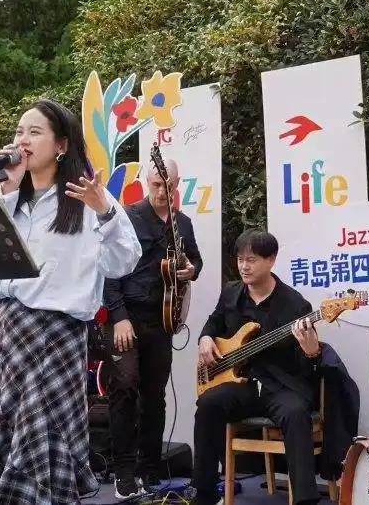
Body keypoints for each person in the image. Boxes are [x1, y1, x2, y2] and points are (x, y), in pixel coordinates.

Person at [0, 99, 141, 505]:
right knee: (8, 430)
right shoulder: (6, 195)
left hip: (58, 335)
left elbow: (124, 261)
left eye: (34, 132)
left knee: (40, 437)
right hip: (10, 330)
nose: (22, 140)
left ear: (61, 145)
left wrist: (105, 212)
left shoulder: (87, 197)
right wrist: (7, 191)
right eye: (19, 131)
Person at [193, 231, 322, 505]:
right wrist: (205, 338)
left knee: (296, 413)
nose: (244, 267)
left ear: (271, 260)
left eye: (251, 260)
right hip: (242, 384)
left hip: (281, 386)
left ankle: (306, 500)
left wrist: (311, 352)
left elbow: (306, 367)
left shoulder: (296, 305)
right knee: (208, 404)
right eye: (240, 260)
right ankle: (203, 495)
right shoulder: (231, 292)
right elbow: (214, 321)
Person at [103, 157, 203, 497]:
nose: (162, 191)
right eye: (157, 185)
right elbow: (109, 270)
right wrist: (118, 316)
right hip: (127, 317)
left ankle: (149, 469)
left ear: (177, 184)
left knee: (154, 396)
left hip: (162, 321)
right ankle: (123, 471)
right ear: (148, 183)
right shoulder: (128, 217)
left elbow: (195, 260)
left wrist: (191, 270)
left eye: (169, 185)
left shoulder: (182, 223)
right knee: (124, 387)